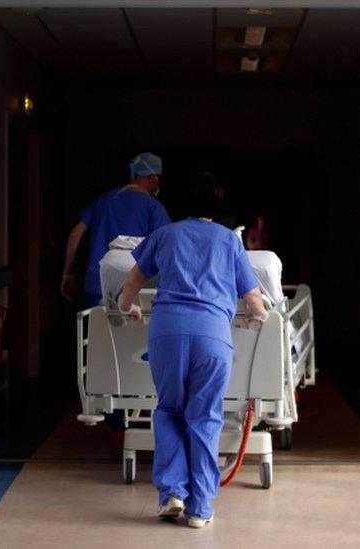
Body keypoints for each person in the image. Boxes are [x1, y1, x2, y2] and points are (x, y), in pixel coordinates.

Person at [116, 173, 268, 529]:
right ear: (218, 205)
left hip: (167, 334)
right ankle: (199, 508)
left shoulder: (165, 235)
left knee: (169, 410)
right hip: (212, 337)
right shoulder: (229, 241)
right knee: (204, 416)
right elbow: (253, 296)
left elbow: (132, 281)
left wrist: (127, 308)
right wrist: (260, 317)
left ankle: (171, 493)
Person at [61, 153, 171, 306]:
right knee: (129, 329)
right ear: (152, 178)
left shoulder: (104, 200)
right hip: (134, 285)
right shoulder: (153, 207)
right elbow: (167, 247)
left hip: (99, 282)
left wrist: (67, 274)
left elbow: (75, 235)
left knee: (97, 328)